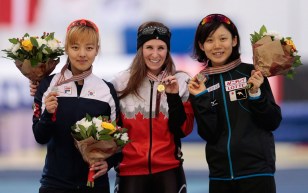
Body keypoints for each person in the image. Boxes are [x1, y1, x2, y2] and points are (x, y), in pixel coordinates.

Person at [188, 14, 282, 193]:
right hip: (220, 177)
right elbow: (209, 133)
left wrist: (256, 94)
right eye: (209, 40)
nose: (217, 46)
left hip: (257, 173)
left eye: (223, 38)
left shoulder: (252, 74)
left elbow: (273, 122)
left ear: (234, 40)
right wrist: (201, 97)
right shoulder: (200, 84)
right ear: (201, 45)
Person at [32, 19, 119, 193]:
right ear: (66, 49)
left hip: (94, 185)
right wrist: (48, 115)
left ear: (97, 51)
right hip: (55, 185)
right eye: (75, 47)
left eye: (89, 48)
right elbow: (40, 138)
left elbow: (118, 140)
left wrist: (108, 163)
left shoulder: (107, 90)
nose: (82, 54)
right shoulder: (48, 85)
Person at [111, 21, 194, 193]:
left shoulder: (181, 81)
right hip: (130, 171)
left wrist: (173, 96)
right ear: (140, 49)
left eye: (161, 48)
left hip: (169, 171)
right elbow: (112, 130)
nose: (155, 54)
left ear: (167, 50)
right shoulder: (120, 82)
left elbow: (183, 130)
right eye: (149, 47)